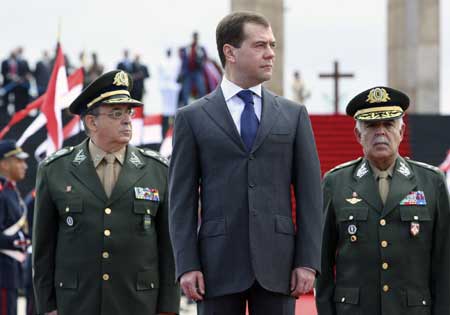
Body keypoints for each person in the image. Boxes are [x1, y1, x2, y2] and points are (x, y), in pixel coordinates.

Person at [169, 11, 323, 315]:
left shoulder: (293, 115)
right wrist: (186, 265)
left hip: (279, 266)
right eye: (260, 45)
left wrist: (307, 261)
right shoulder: (192, 118)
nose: (270, 54)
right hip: (215, 266)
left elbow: (310, 194)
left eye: (273, 45)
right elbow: (181, 200)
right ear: (230, 52)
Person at [33, 70, 180, 315]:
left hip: (137, 304)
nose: (127, 120)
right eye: (116, 113)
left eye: (128, 113)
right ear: (91, 122)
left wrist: (168, 309)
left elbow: (169, 251)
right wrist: (48, 307)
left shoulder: (158, 170)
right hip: (77, 304)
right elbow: (43, 252)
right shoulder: (55, 170)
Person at [316, 86, 450, 315]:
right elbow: (323, 263)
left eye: (388, 124)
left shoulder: (431, 182)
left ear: (401, 131)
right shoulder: (335, 182)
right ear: (358, 135)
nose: (381, 132)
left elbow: (444, 262)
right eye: (371, 125)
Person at [0, 140, 30, 315]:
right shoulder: (3, 191)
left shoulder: (11, 190)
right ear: (4, 164)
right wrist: (18, 242)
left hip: (11, 271)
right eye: (19, 161)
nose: (25, 165)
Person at [179, 31, 208, 106]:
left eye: (196, 37)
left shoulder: (201, 48)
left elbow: (205, 58)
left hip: (197, 71)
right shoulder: (187, 48)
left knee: (202, 90)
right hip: (188, 72)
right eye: (194, 37)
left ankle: (202, 107)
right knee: (185, 91)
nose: (195, 38)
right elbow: (182, 58)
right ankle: (185, 108)